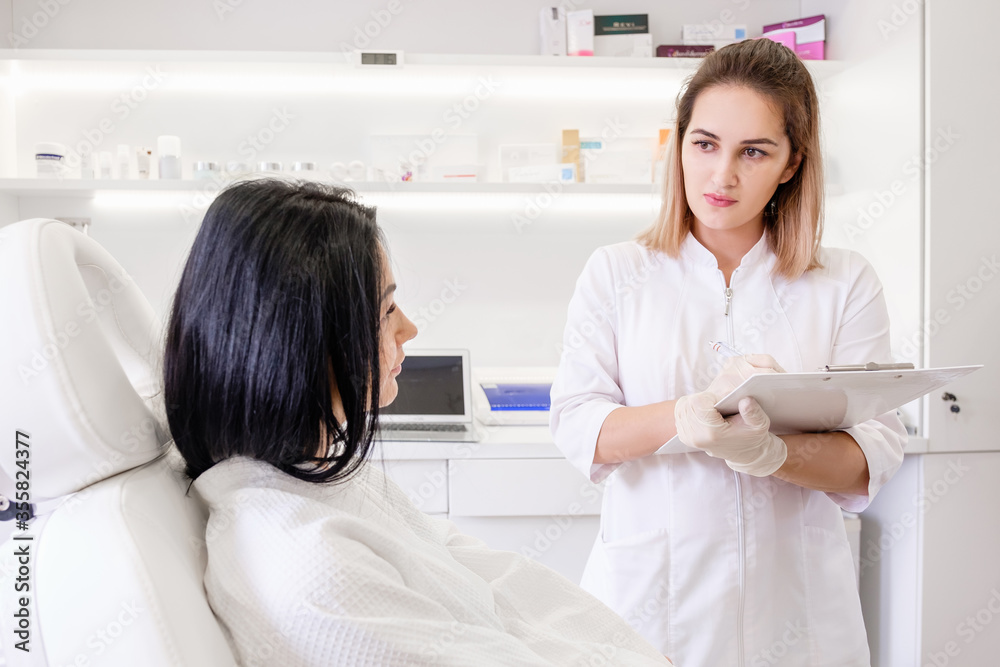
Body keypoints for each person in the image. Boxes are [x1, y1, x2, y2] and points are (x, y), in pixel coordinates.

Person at [163, 179, 672, 666]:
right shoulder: (312, 567)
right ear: (302, 340)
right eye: (386, 310)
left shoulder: (330, 484)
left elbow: (493, 581)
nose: (409, 327)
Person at [550, 38, 905, 666]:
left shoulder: (844, 281)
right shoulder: (616, 272)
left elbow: (871, 456)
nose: (722, 175)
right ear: (680, 144)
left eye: (755, 151)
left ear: (792, 164)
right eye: (705, 144)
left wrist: (773, 455)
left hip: (794, 615)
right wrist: (693, 412)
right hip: (651, 606)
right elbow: (581, 426)